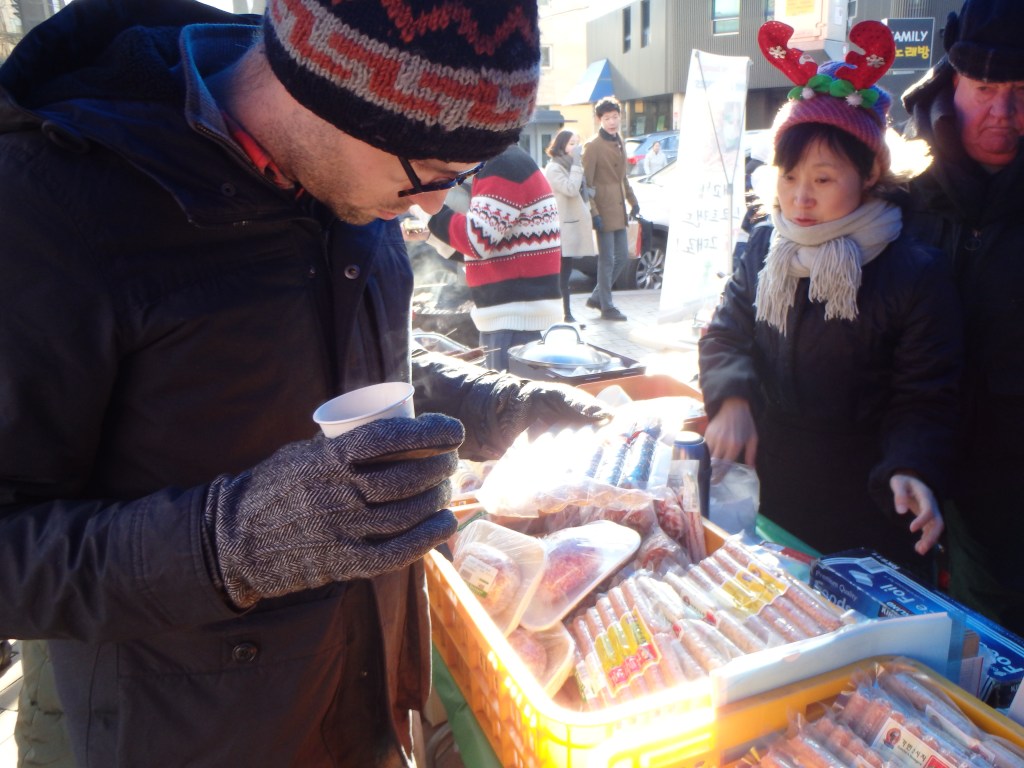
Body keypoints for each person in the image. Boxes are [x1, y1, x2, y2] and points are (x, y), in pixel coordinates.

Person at [0, 0, 609, 765]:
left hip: (365, 707)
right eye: (432, 175)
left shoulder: (354, 174)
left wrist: (510, 406)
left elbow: (364, 359)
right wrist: (230, 545)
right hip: (182, 735)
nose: (433, 207)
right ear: (330, 93)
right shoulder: (54, 204)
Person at [698, 21, 963, 572]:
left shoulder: (913, 271)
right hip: (771, 490)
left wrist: (911, 467)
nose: (800, 197)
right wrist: (733, 399)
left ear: (869, 172)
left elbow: (925, 398)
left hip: (869, 503)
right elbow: (727, 332)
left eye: (822, 179)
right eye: (789, 176)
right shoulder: (767, 248)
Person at [901, 0, 1024, 634]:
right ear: (953, 81)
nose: (1004, 114)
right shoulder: (901, 185)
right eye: (986, 89)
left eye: (1022, 91)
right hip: (903, 477)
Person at [428, 143, 563, 371]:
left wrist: (425, 209)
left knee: (508, 406)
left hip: (515, 324)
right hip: (514, 323)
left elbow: (477, 239)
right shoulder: (505, 161)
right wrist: (429, 234)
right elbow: (482, 251)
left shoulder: (502, 163)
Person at [582, 96, 639, 321]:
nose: (612, 122)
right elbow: (587, 184)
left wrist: (634, 201)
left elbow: (623, 177)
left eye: (615, 117)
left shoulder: (620, 141)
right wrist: (594, 213)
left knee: (623, 256)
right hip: (603, 210)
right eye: (607, 118)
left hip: (619, 208)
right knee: (606, 260)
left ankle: (597, 296)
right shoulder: (592, 146)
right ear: (599, 120)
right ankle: (607, 306)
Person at [544, 129, 597, 325]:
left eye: (577, 143)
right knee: (561, 275)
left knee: (565, 274)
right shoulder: (554, 168)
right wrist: (576, 165)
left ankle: (566, 314)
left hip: (570, 227)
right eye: (571, 144)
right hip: (560, 229)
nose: (576, 148)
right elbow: (571, 189)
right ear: (561, 145)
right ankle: (563, 314)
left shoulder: (573, 165)